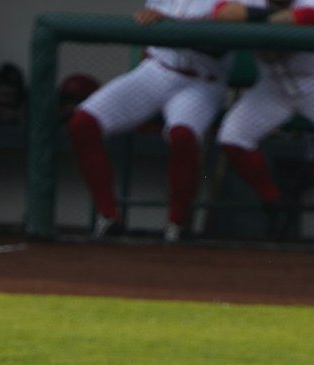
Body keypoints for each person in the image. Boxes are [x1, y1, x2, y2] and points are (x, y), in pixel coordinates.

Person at [67, 0, 234, 243]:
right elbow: (147, 35)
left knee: (182, 136)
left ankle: (177, 224)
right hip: (157, 70)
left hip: (203, 81)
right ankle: (108, 216)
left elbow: (218, 45)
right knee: (83, 124)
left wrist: (170, 25)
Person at [213, 0, 314, 240]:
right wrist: (262, 18)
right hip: (272, 87)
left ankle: (303, 181)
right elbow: (221, 13)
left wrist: (251, 21)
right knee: (231, 137)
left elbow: (307, 17)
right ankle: (276, 201)